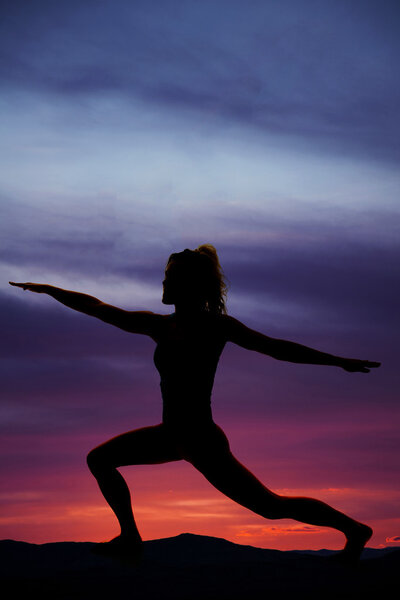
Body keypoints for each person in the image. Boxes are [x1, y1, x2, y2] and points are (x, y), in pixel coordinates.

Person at [9, 244, 380, 564]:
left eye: (170, 278)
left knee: (269, 507)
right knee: (99, 459)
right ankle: (130, 539)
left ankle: (354, 529)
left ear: (189, 285)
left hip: (201, 438)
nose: (164, 284)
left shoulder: (216, 326)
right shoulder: (160, 325)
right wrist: (50, 289)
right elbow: (98, 307)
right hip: (171, 434)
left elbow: (276, 348)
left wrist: (337, 361)